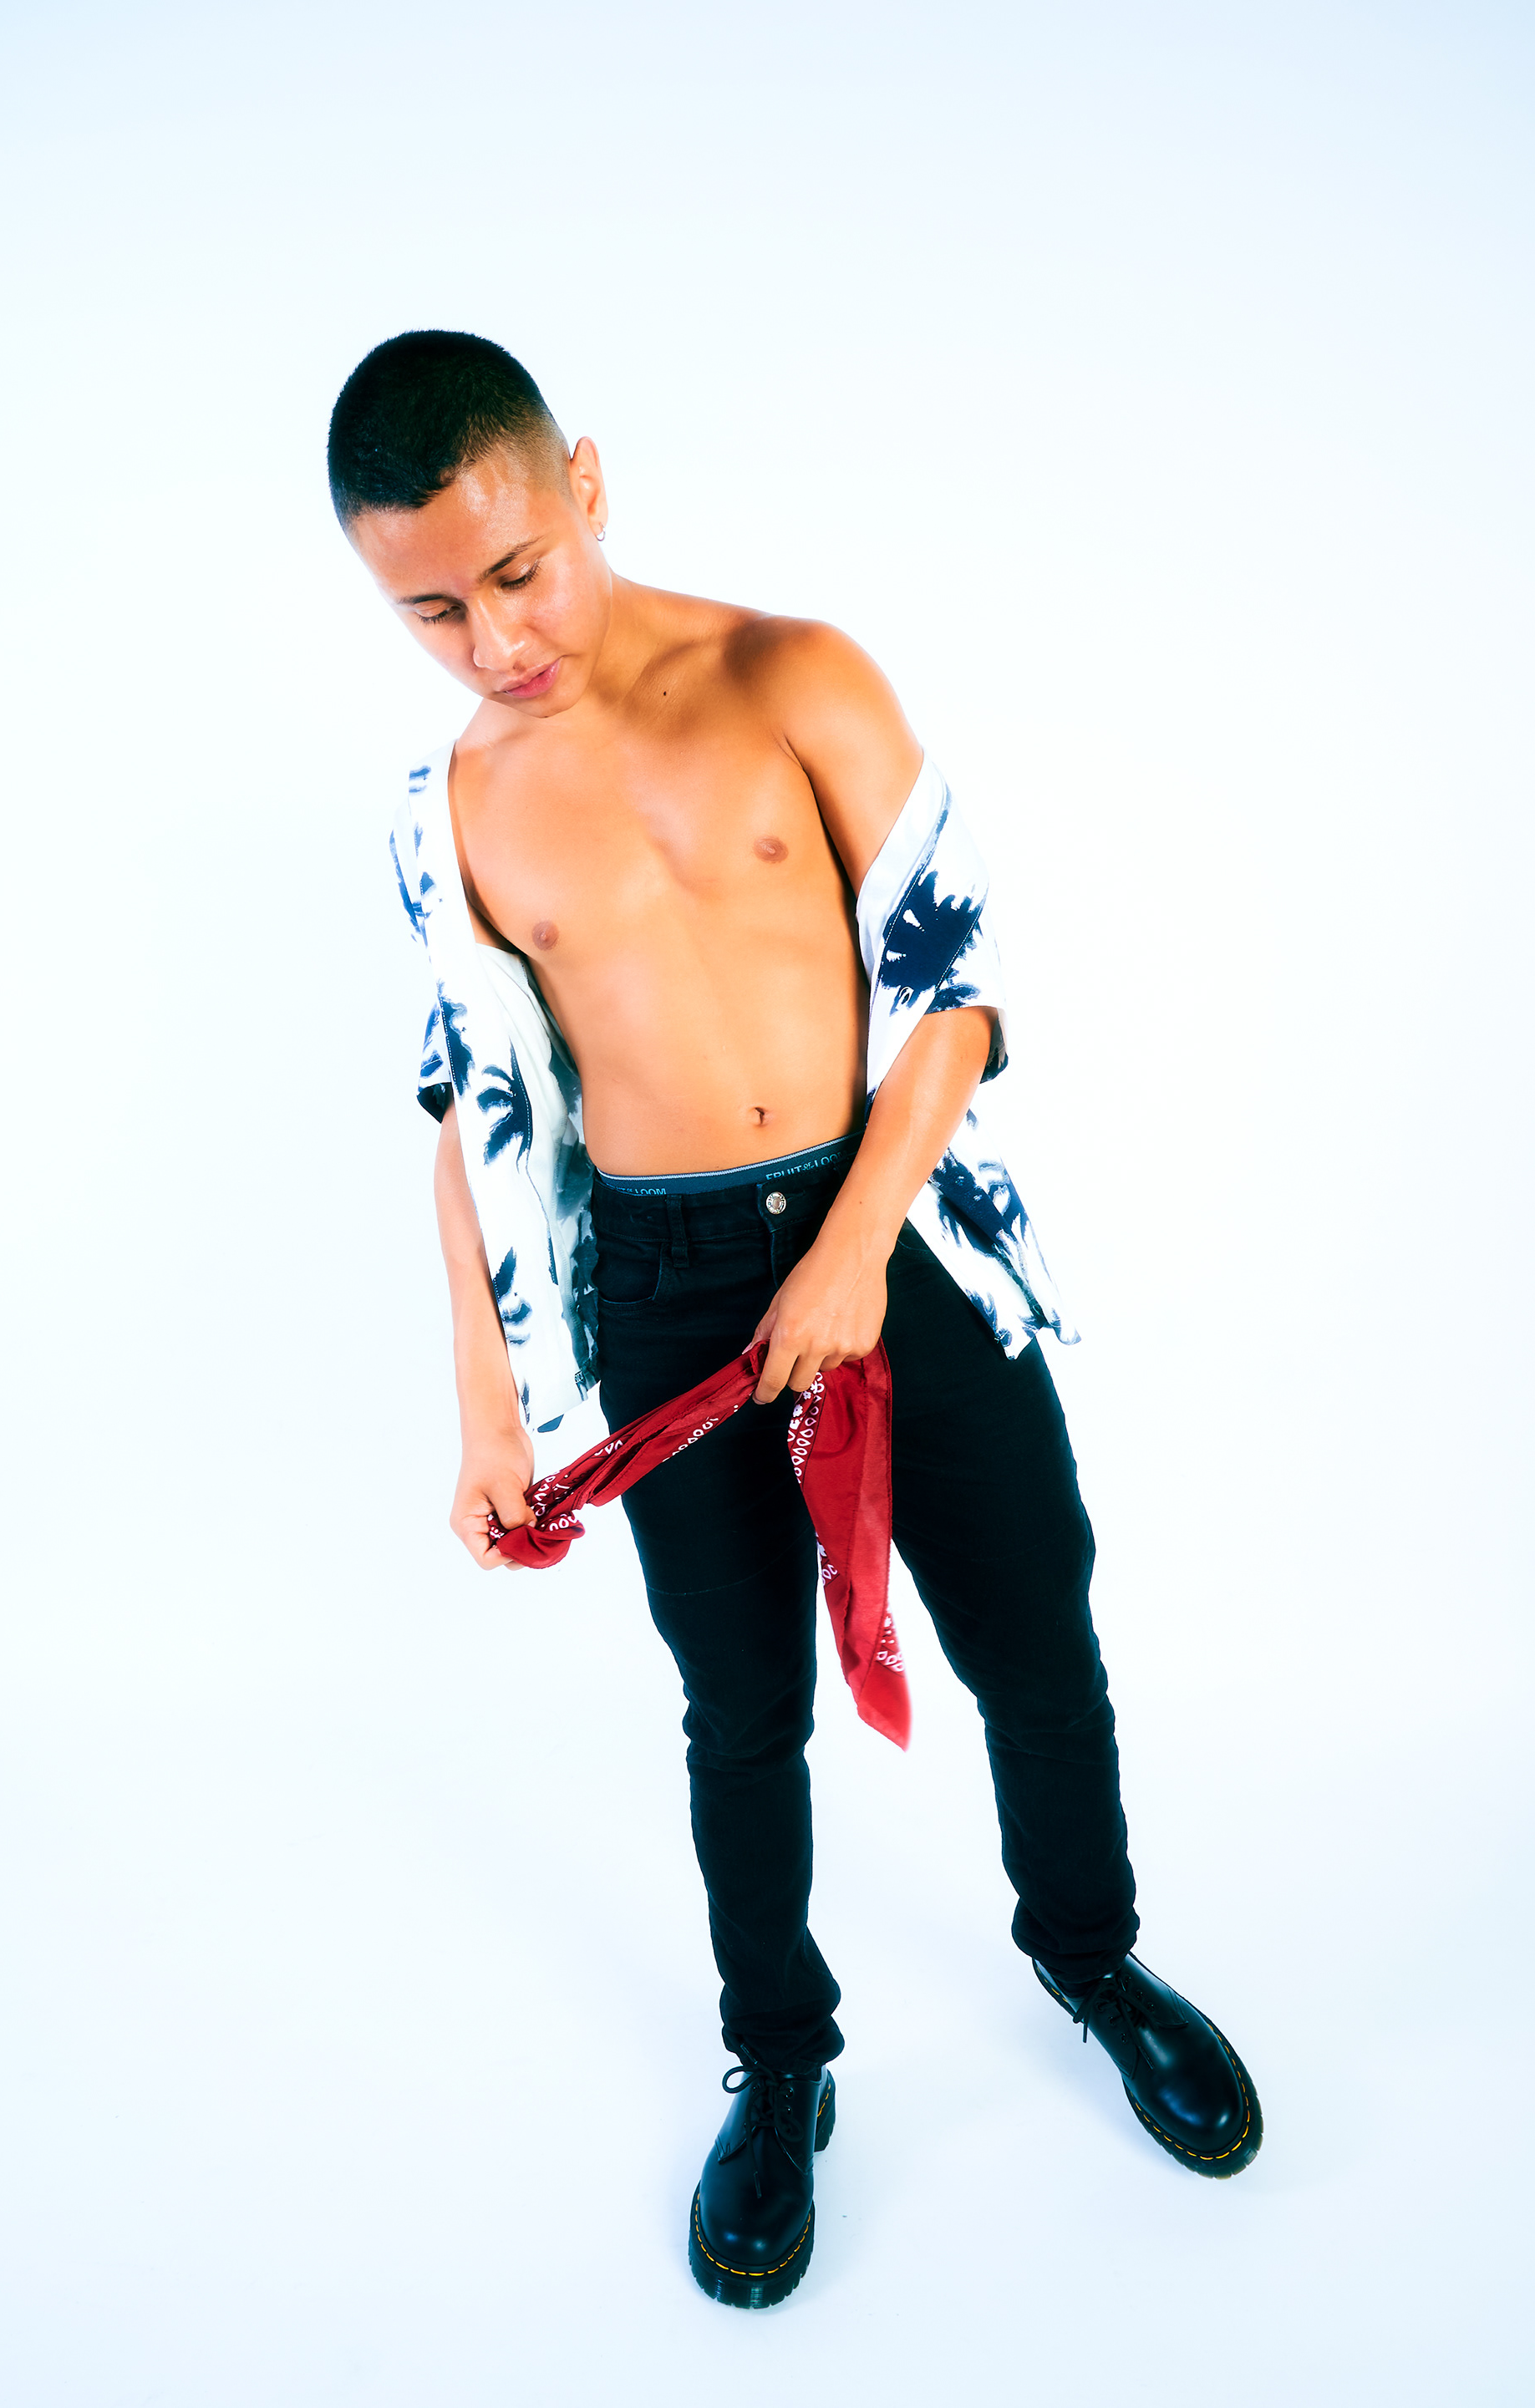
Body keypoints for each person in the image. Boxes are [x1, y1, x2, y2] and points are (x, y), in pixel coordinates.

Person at [327, 330, 1263, 2309]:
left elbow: (957, 988)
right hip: (665, 1291)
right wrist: (488, 1411)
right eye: (432, 613)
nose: (496, 641)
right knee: (738, 1709)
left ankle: (1090, 1954)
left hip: (892, 1234)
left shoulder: (796, 675)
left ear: (585, 483)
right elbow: (474, 1114)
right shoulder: (449, 810)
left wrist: (850, 1253)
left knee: (1037, 1636)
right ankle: (779, 2061)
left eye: (517, 573)